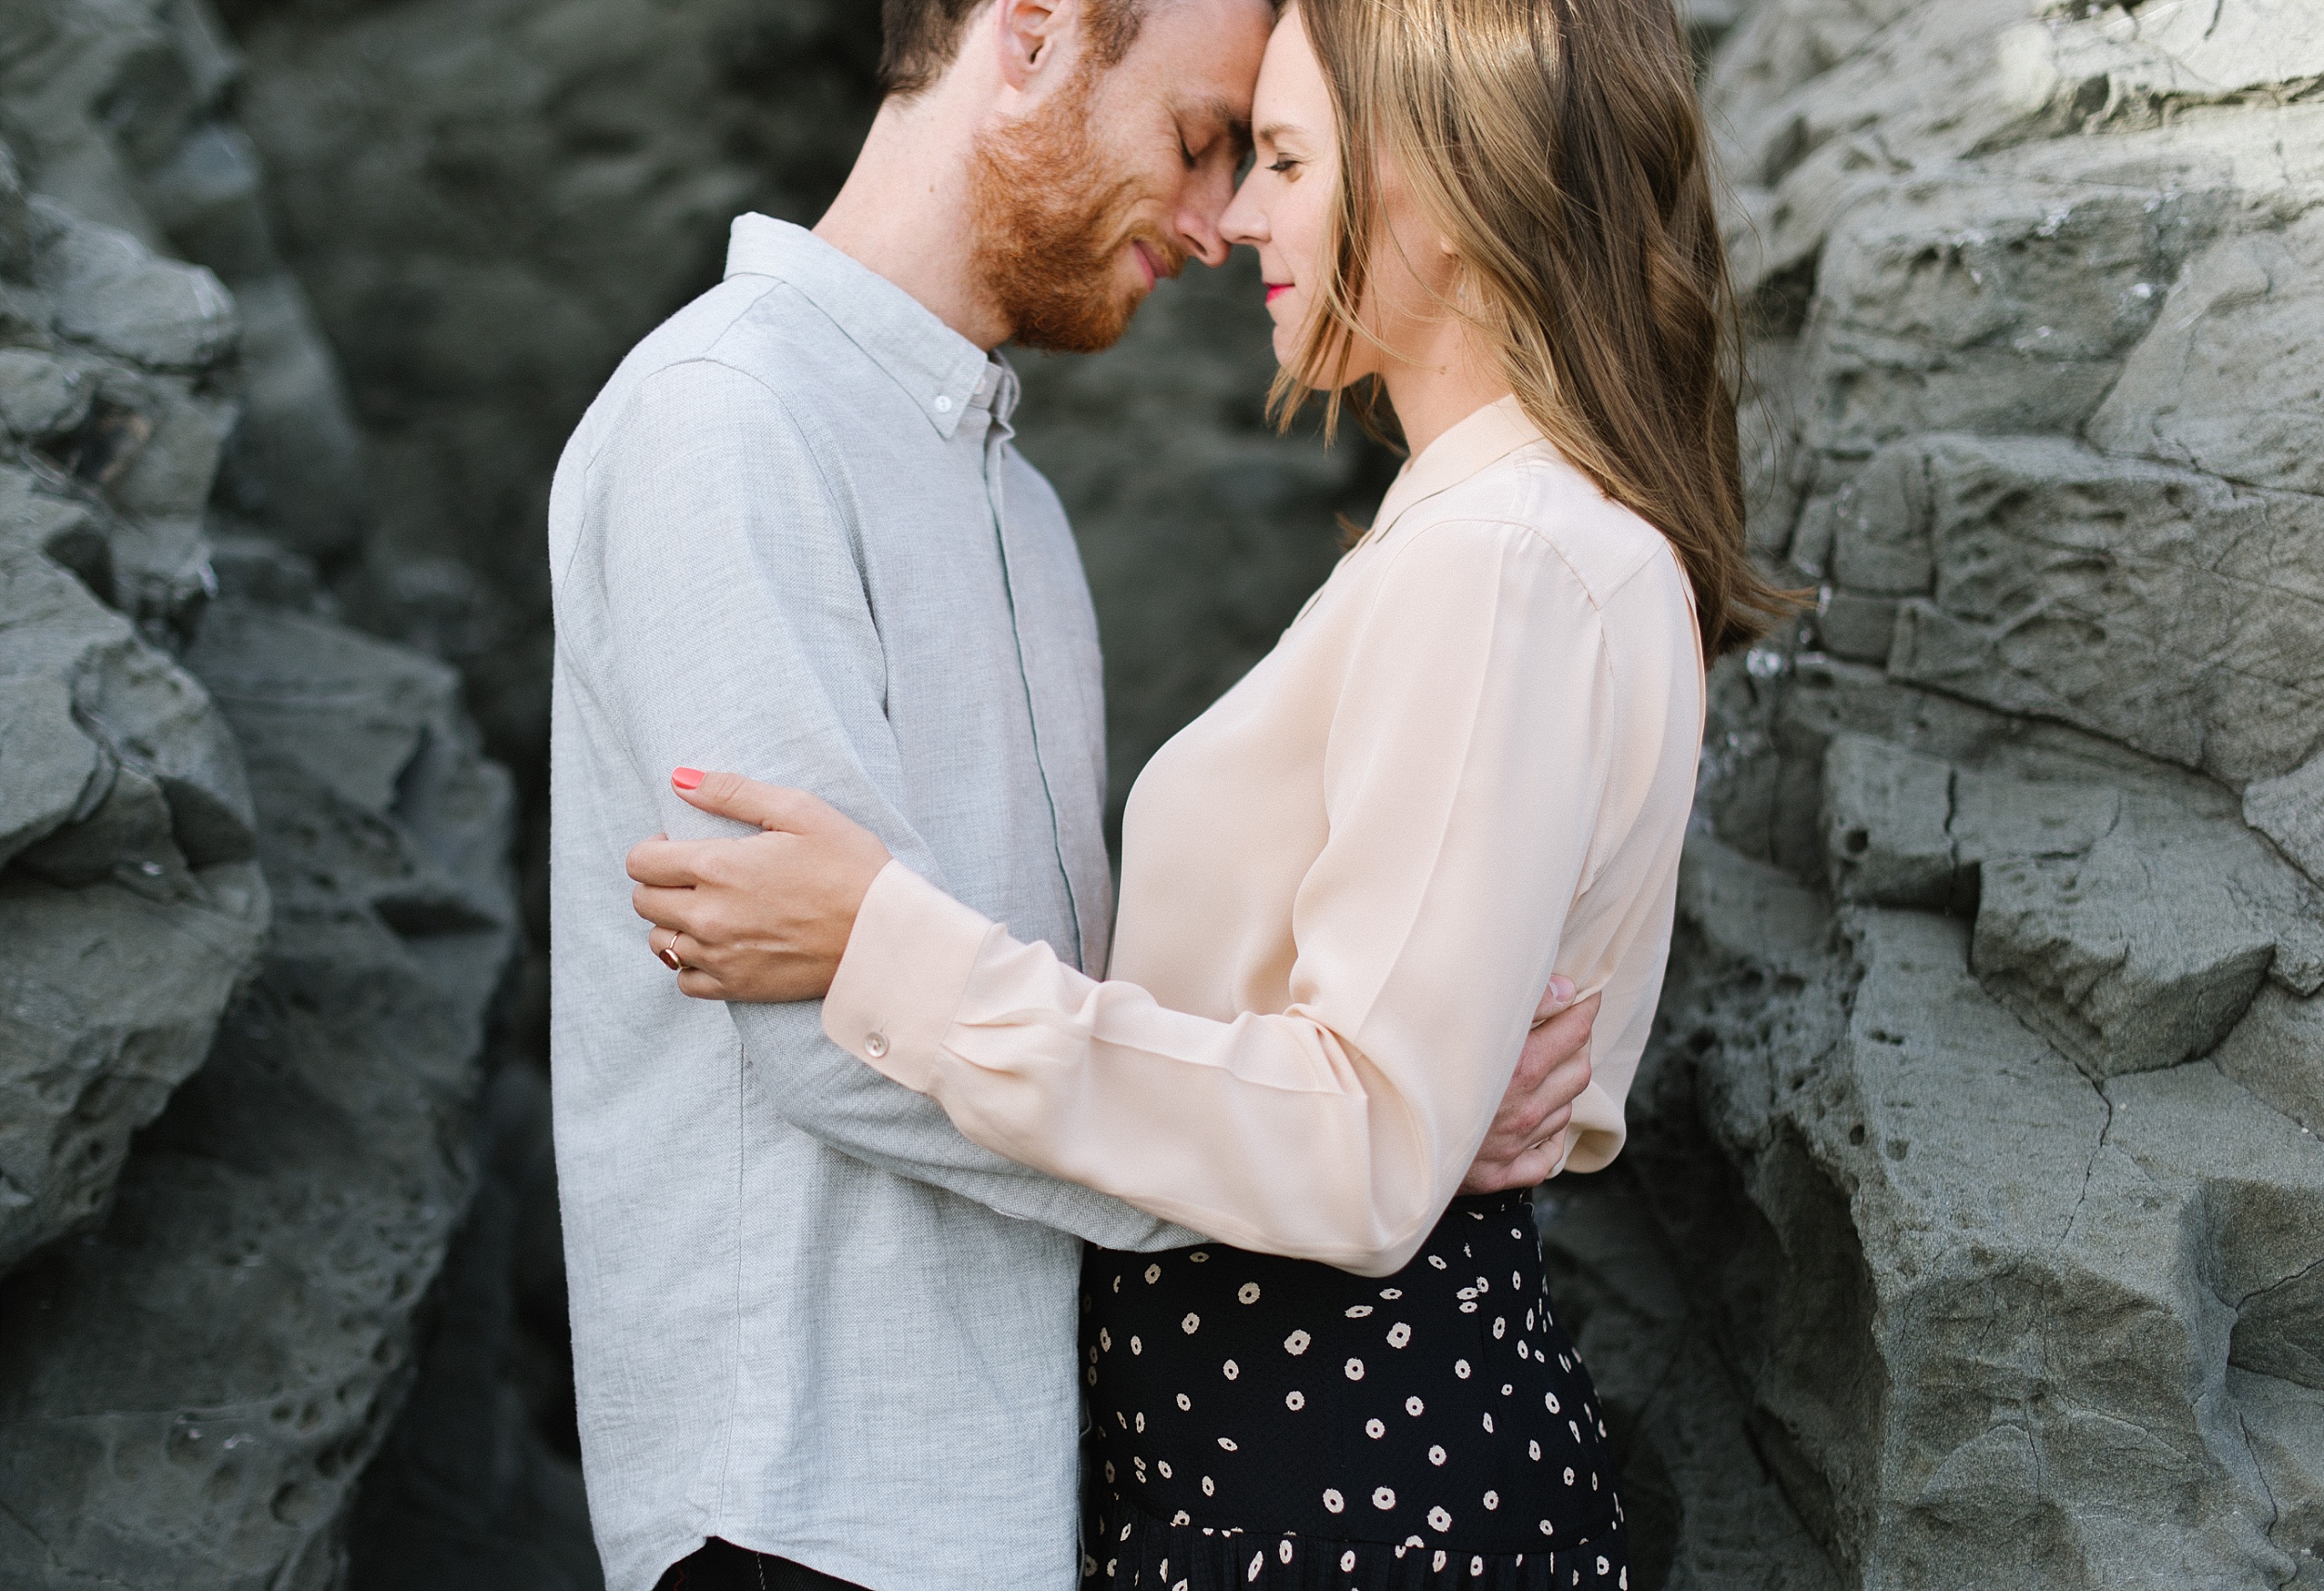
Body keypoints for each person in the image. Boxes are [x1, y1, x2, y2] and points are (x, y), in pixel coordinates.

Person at [627, 0, 1795, 1584]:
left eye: (1285, 157)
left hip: (1342, 1468)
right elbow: (1377, 1122)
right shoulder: (1487, 547)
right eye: (1223, 146)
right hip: (1293, 1447)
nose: (1238, 213)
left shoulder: (1506, 561)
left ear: (1447, 196)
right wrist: (1377, 1120)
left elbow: (1363, 1144)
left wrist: (886, 951)